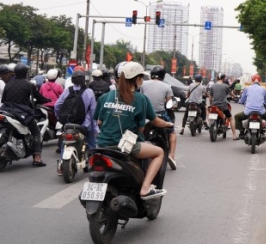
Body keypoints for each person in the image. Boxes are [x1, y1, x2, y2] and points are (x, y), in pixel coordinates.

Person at [93, 62, 174, 200]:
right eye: (141, 78)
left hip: (101, 145)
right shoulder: (141, 99)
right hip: (125, 146)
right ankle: (145, 189)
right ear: (136, 79)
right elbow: (145, 126)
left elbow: (99, 122)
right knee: (159, 153)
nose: (142, 81)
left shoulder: (106, 97)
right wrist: (167, 123)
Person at [0, 63, 50, 166]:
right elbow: (38, 97)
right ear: (25, 73)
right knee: (36, 132)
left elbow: (3, 99)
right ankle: (37, 158)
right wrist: (48, 100)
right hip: (22, 112)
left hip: (6, 110)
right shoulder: (28, 84)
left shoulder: (8, 84)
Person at [54, 70, 98, 175]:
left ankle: (61, 165)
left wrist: (59, 117)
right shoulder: (89, 92)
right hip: (84, 125)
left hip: (68, 124)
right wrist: (95, 128)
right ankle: (93, 164)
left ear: (72, 80)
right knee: (92, 143)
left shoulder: (67, 91)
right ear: (85, 80)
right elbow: (93, 112)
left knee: (64, 143)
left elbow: (57, 105)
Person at [140, 66, 177, 169]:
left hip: (145, 115)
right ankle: (172, 156)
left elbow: (141, 98)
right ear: (163, 76)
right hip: (160, 114)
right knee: (172, 133)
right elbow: (169, 103)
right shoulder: (167, 87)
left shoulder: (143, 84)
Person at [234, 74, 266, 140]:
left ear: (252, 81)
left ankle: (242, 133)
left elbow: (242, 100)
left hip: (248, 112)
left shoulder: (247, 88)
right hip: (260, 112)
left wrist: (241, 102)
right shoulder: (263, 89)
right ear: (260, 81)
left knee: (237, 117)